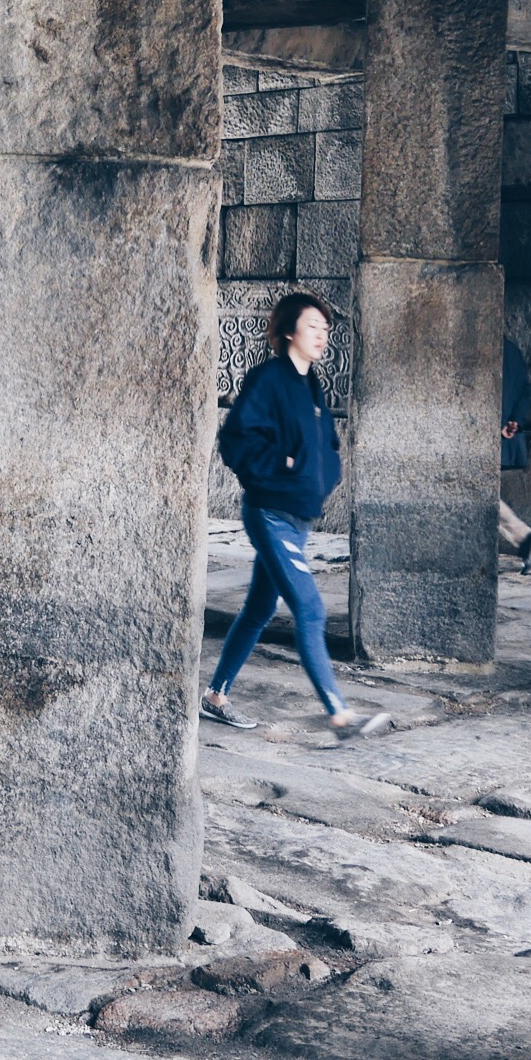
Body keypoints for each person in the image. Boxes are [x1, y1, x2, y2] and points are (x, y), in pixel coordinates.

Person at [203, 291, 393, 739]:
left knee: (258, 609)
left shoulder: (311, 384)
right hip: (269, 513)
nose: (322, 334)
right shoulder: (268, 380)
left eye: (325, 328)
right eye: (313, 326)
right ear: (289, 331)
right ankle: (340, 716)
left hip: (298, 516)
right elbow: (235, 442)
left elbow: (325, 445)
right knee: (309, 607)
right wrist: (285, 467)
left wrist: (324, 473)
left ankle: (214, 697)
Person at [500, 337, 531, 573]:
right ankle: (523, 538)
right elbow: (525, 389)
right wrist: (514, 419)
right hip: (506, 434)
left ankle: (524, 536)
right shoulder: (512, 350)